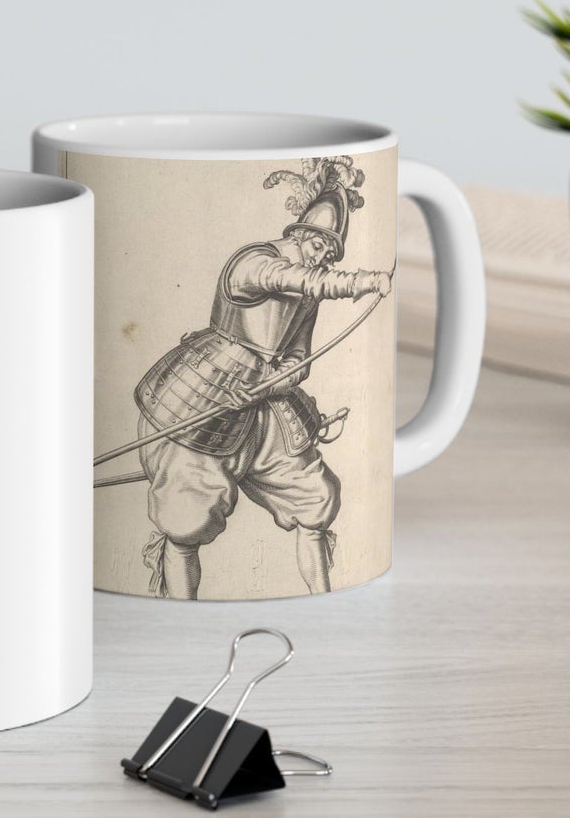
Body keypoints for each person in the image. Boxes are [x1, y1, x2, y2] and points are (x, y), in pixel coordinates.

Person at [133, 168, 392, 599]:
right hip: (204, 393)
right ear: (300, 233)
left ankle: (325, 603)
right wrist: (359, 283)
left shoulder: (312, 282)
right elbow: (292, 279)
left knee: (314, 498)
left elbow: (299, 357)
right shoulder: (255, 261)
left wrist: (275, 383)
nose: (323, 257)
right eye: (319, 245)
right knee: (186, 518)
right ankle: (181, 619)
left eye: (331, 252)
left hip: (268, 403)